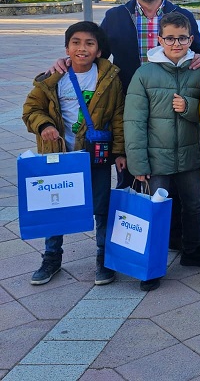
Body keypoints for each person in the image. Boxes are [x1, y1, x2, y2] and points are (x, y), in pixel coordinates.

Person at [50, 0, 200, 249]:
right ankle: (136, 244)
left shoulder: (181, 15)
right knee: (135, 177)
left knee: (175, 180)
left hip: (170, 110)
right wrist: (70, 62)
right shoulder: (116, 17)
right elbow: (96, 53)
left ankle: (174, 239)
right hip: (129, 108)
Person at [22, 22, 126, 286]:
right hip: (60, 155)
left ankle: (104, 258)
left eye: (90, 43)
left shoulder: (109, 79)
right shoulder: (52, 78)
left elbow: (118, 116)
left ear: (99, 50)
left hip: (95, 155)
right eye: (76, 42)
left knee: (101, 207)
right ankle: (51, 258)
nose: (82, 48)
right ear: (67, 48)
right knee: (56, 207)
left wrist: (119, 152)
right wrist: (44, 125)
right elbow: (31, 109)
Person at [124, 12, 200, 291]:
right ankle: (151, 264)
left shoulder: (199, 72)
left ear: (191, 40)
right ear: (159, 39)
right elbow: (133, 121)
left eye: (182, 38)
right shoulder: (145, 74)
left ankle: (193, 250)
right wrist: (138, 163)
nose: (176, 43)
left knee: (193, 206)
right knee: (156, 209)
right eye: (170, 38)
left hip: (189, 155)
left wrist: (188, 107)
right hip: (156, 159)